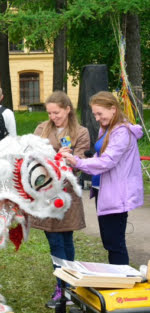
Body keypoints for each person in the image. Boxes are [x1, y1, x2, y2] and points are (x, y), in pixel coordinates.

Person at [62, 91, 143, 265]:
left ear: (113, 109)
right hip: (103, 190)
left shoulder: (122, 132)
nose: (97, 118)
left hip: (117, 193)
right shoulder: (106, 128)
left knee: (115, 243)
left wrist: (78, 162)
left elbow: (107, 162)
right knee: (109, 241)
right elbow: (102, 156)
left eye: (100, 113)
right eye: (94, 114)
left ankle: (121, 284)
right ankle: (117, 280)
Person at [31, 91, 90, 308]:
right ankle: (63, 287)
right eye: (49, 113)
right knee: (55, 240)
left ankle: (67, 287)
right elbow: (30, 157)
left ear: (67, 109)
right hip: (46, 193)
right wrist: (50, 158)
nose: (52, 117)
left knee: (66, 239)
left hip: (67, 195)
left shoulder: (81, 132)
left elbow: (82, 162)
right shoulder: (41, 129)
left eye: (56, 112)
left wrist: (71, 159)